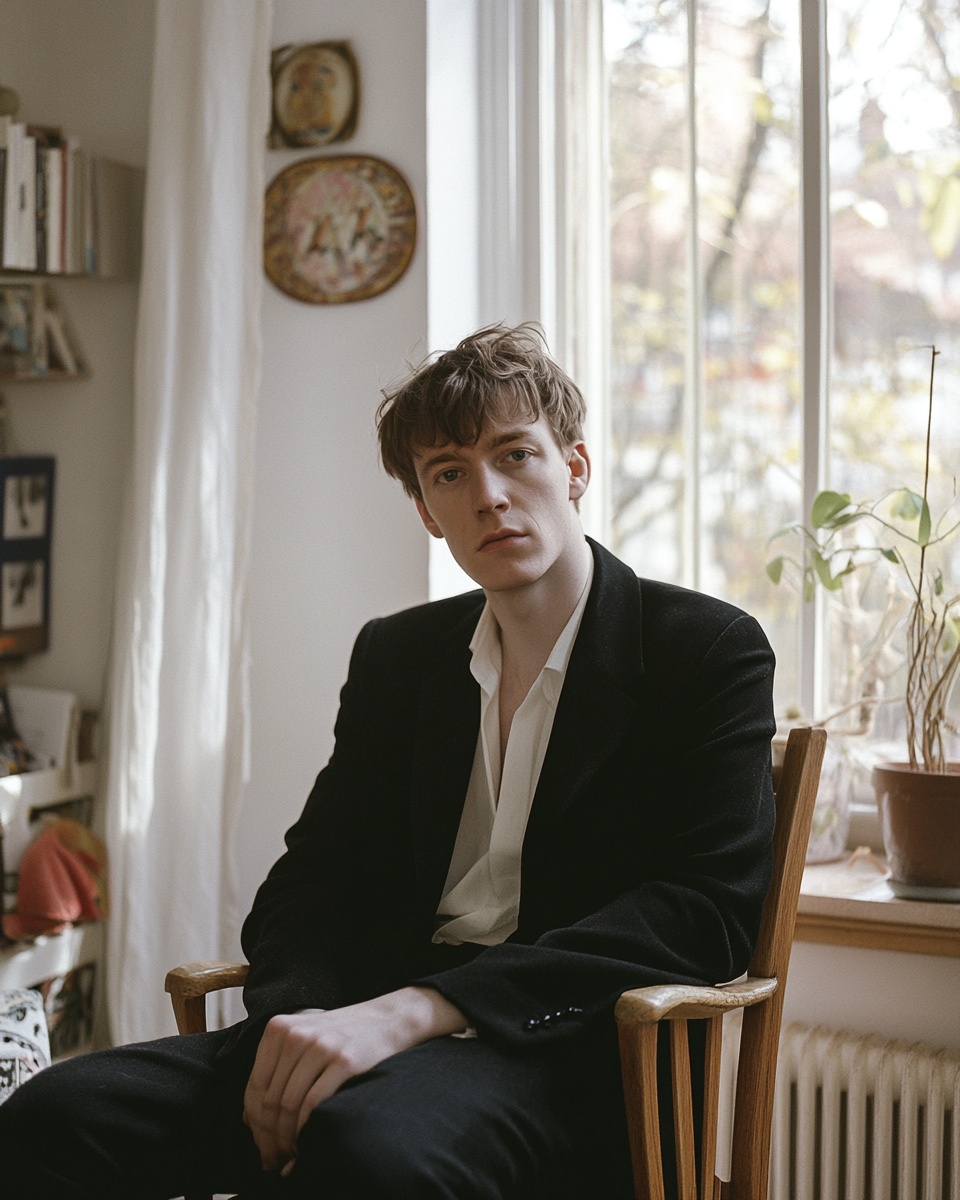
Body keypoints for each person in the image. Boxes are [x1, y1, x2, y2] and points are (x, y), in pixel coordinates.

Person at [0, 324, 776, 1199]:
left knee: (366, 1152)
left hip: (558, 1052)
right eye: (450, 473)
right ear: (425, 511)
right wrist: (301, 1023)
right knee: (50, 1117)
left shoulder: (707, 651)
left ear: (576, 467)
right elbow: (313, 880)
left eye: (516, 455)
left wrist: (419, 1012)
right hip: (360, 1021)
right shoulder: (399, 657)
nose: (489, 496)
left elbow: (703, 913)